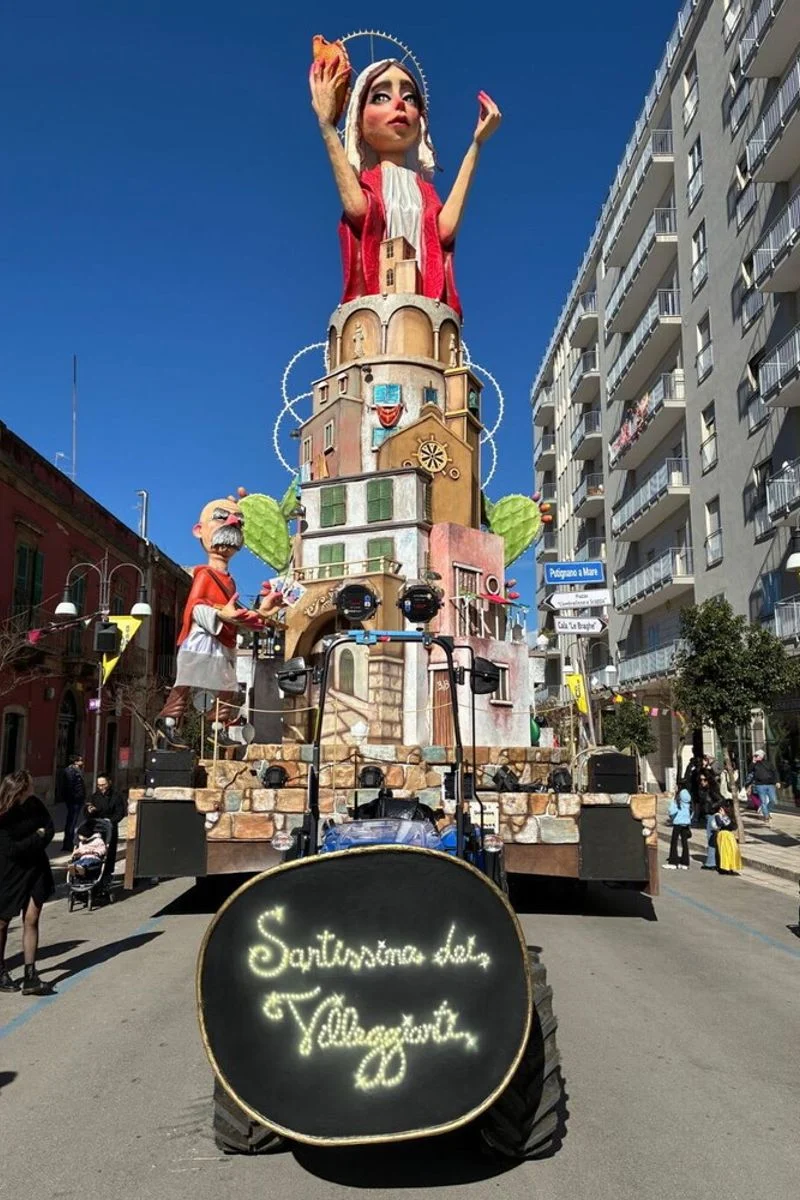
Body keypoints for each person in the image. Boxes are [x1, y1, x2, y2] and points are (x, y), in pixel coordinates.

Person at [309, 48, 501, 318]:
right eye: (381, 96)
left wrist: (477, 144)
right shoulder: (371, 181)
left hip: (422, 305)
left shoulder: (423, 190)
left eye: (409, 97)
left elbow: (443, 231)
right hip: (378, 308)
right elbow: (358, 209)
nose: (399, 104)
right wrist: (327, 126)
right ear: (358, 118)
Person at [155, 495, 284, 746]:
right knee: (188, 680)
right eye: (221, 518)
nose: (233, 523)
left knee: (228, 686)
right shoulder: (204, 574)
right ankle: (168, 720)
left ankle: (218, 726)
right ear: (199, 531)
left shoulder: (230, 581)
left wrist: (265, 610)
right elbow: (196, 606)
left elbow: (237, 615)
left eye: (238, 522)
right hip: (202, 639)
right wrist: (219, 614)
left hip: (223, 640)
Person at [0, 770, 55, 995]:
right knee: (2, 922)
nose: (34, 786)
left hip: (36, 870)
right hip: (10, 873)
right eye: (30, 784)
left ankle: (30, 974)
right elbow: (12, 850)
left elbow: (49, 828)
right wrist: (37, 837)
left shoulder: (34, 804)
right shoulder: (3, 816)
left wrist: (39, 837)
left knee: (31, 919)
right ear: (20, 789)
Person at [86, 774, 125, 890]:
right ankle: (95, 873)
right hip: (97, 829)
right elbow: (87, 813)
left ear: (109, 783)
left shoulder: (116, 796)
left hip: (110, 828)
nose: (101, 787)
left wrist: (111, 821)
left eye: (103, 785)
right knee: (96, 850)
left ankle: (107, 874)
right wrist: (90, 811)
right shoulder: (94, 796)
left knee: (110, 852)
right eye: (99, 785)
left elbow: (120, 813)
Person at [60, 753, 85, 853]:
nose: (82, 762)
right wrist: (74, 797)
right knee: (71, 822)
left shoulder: (77, 770)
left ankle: (69, 842)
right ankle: (68, 844)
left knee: (73, 822)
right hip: (73, 800)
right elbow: (70, 787)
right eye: (80, 760)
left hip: (77, 800)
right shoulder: (70, 771)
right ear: (75, 762)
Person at [663, 788, 692, 870]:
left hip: (677, 823)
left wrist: (673, 800)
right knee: (684, 843)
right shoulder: (688, 803)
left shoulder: (677, 802)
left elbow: (671, 811)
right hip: (686, 824)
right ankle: (685, 863)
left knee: (674, 842)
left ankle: (673, 861)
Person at [749, 750, 778, 824]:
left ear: (761, 756)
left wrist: (777, 781)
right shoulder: (754, 764)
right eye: (754, 756)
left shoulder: (768, 763)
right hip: (760, 785)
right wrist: (753, 761)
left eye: (756, 755)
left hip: (770, 785)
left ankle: (767, 812)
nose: (755, 757)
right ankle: (766, 816)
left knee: (773, 800)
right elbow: (750, 770)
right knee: (763, 801)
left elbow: (774, 772)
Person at [713, 802, 742, 875]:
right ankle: (724, 868)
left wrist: (725, 816)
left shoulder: (729, 816)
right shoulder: (718, 815)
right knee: (724, 852)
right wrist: (723, 816)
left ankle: (731, 867)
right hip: (723, 835)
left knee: (732, 851)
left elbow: (733, 826)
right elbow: (720, 824)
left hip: (729, 835)